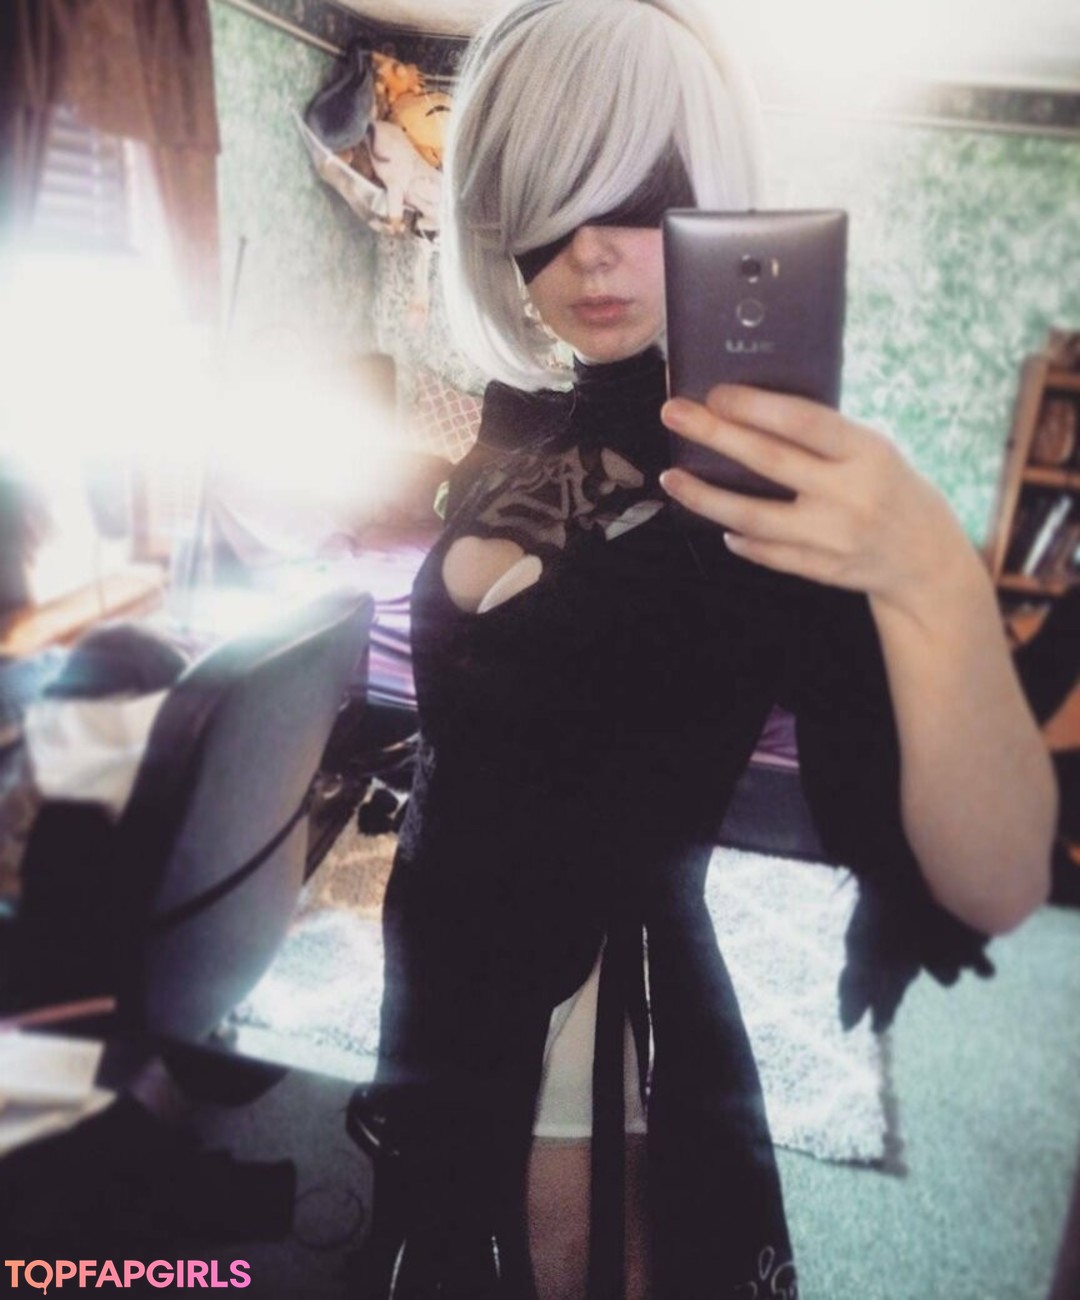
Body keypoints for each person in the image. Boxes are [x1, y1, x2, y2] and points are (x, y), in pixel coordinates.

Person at [357, 2, 1057, 1296]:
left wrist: (927, 572)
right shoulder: (526, 427)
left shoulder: (759, 485)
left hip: (594, 1006)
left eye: (640, 198)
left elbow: (996, 879)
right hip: (439, 955)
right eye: (547, 202)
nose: (589, 252)